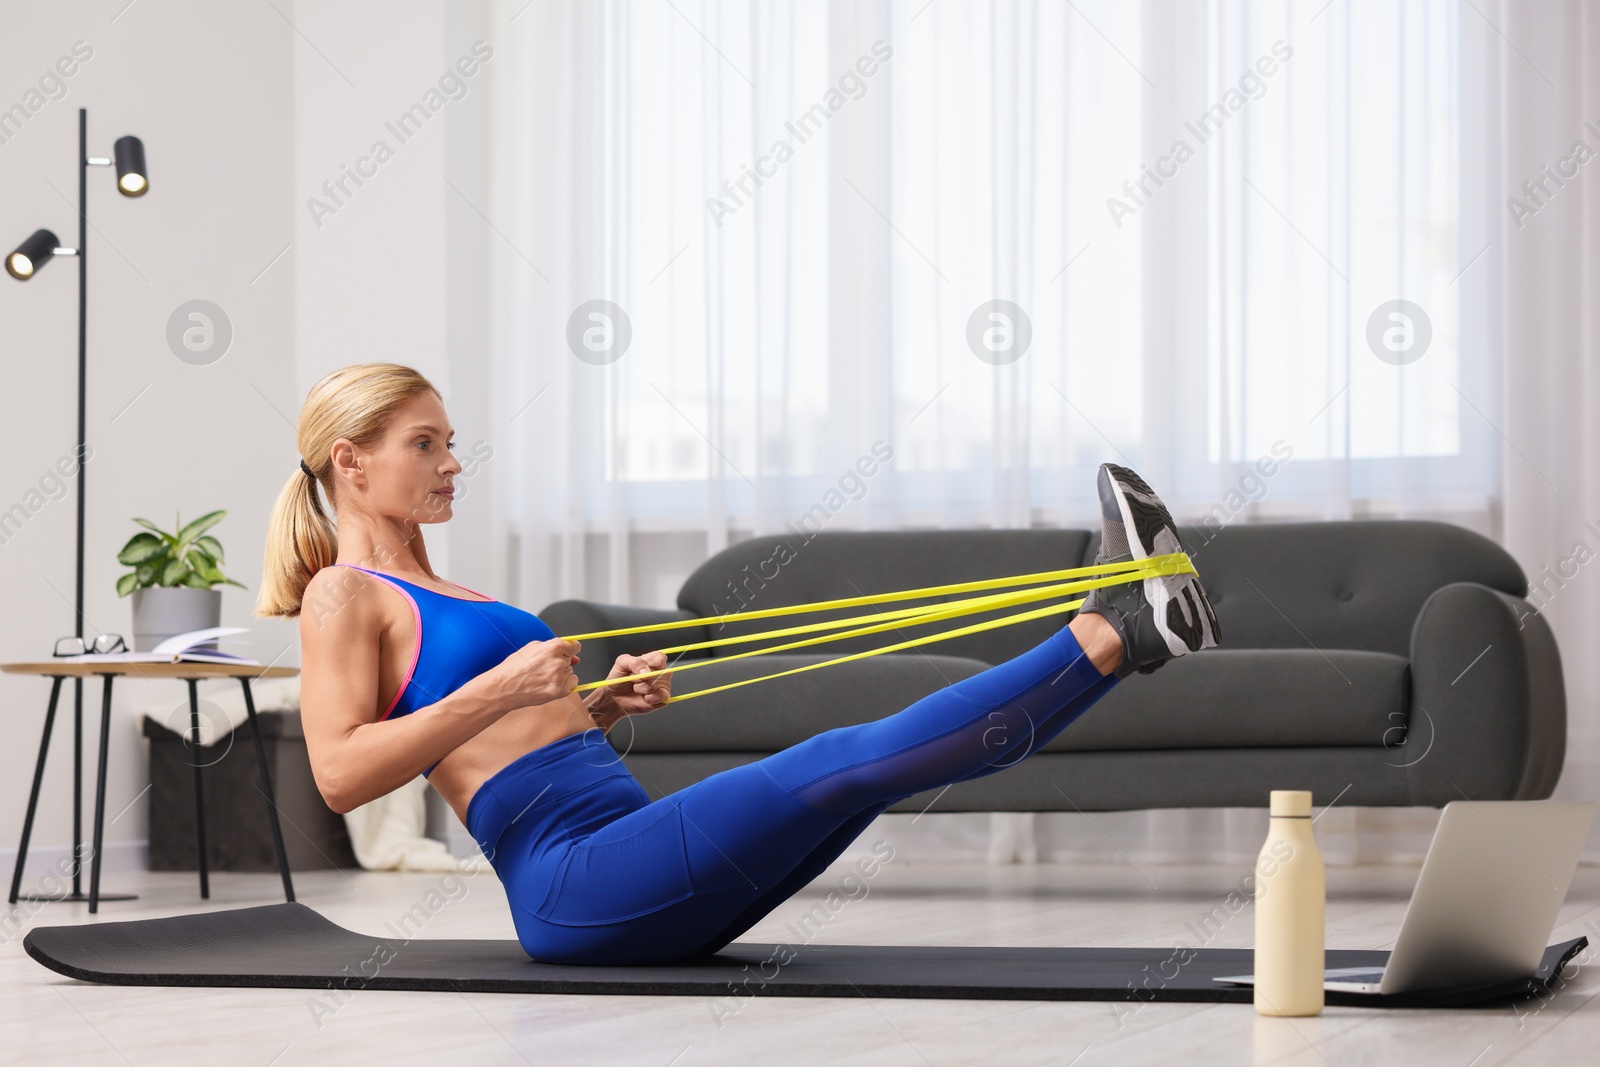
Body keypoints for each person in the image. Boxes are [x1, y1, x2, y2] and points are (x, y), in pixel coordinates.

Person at [258, 363, 1222, 966]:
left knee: (870, 777)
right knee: (840, 758)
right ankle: (1109, 628)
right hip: (572, 885)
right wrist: (502, 686)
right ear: (351, 461)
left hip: (619, 853)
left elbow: (505, 738)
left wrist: (602, 708)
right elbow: (340, 775)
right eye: (424, 445)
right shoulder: (346, 594)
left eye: (451, 444)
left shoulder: (453, 592)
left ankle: (1128, 643)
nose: (452, 464)